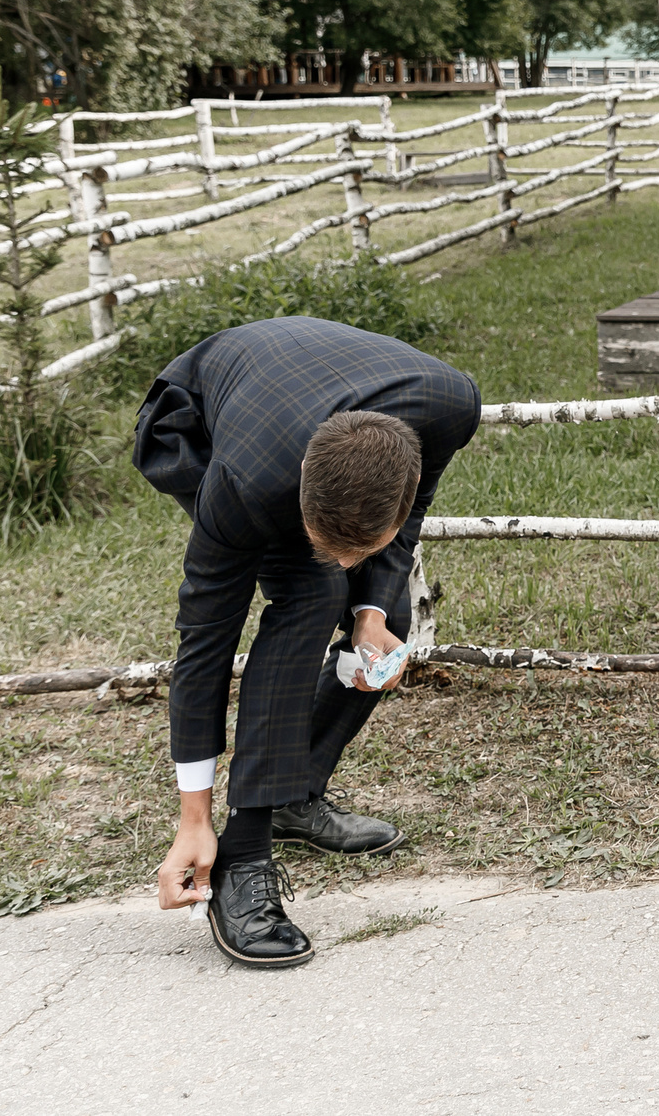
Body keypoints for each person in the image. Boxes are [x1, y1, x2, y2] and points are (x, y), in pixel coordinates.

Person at [132, 315, 480, 968]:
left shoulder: (451, 405)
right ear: (299, 499)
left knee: (388, 616)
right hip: (208, 418)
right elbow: (205, 641)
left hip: (316, 398)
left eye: (357, 549)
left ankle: (291, 793)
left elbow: (412, 506)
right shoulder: (246, 483)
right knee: (313, 593)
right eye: (329, 542)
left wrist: (372, 610)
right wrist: (193, 818)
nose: (345, 562)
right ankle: (243, 858)